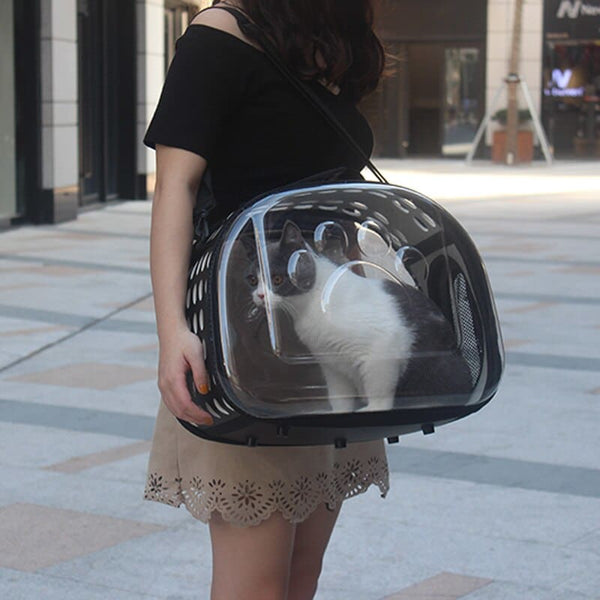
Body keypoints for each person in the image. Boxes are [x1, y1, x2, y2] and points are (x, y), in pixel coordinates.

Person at [143, 1, 390, 598]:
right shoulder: (219, 32)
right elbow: (175, 185)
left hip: (332, 335)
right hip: (249, 338)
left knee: (302, 577)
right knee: (255, 587)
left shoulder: (331, 41)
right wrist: (172, 330)